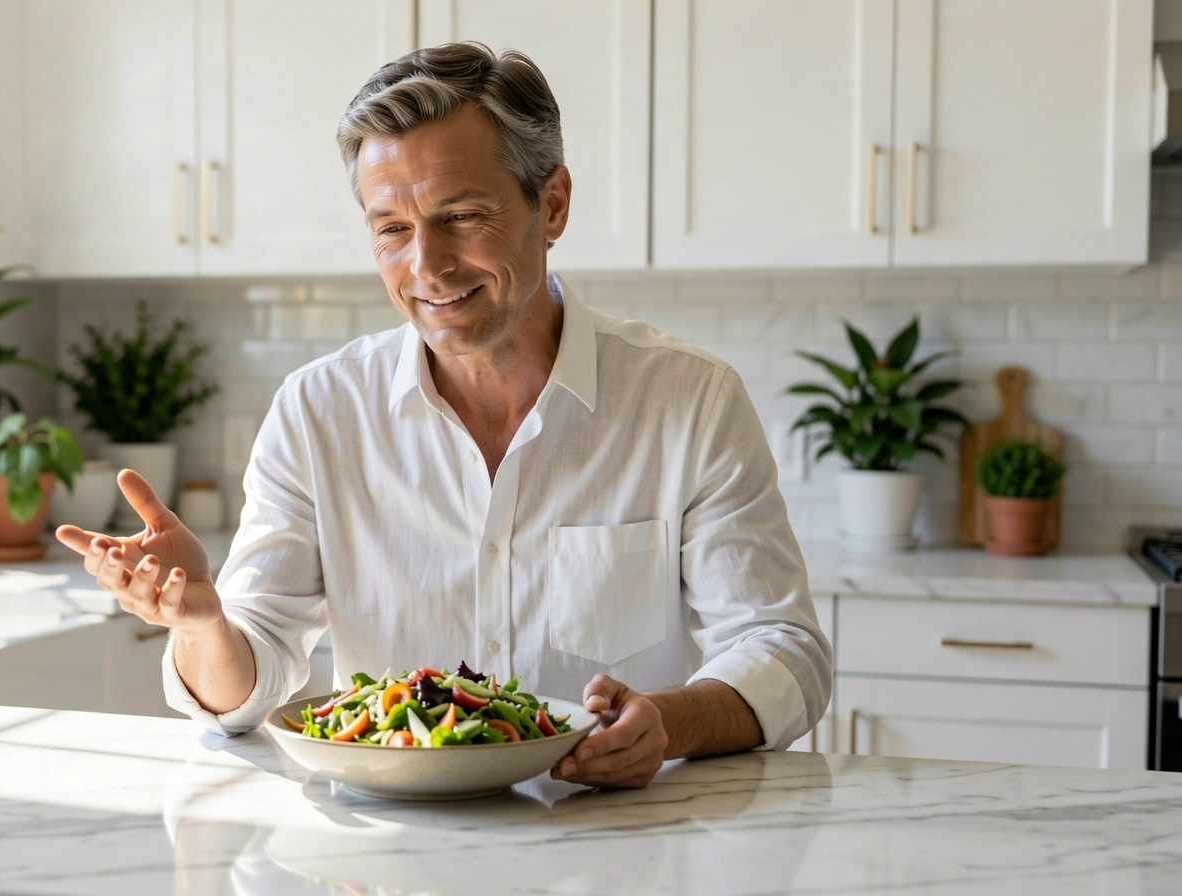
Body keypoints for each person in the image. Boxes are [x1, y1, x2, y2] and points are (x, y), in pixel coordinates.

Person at [58, 42, 830, 788]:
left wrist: (668, 721)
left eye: (461, 217)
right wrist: (202, 623)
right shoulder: (319, 411)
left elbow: (784, 649)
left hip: (614, 852)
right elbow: (250, 679)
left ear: (551, 204)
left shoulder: (686, 401)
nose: (426, 267)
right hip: (387, 862)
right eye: (392, 229)